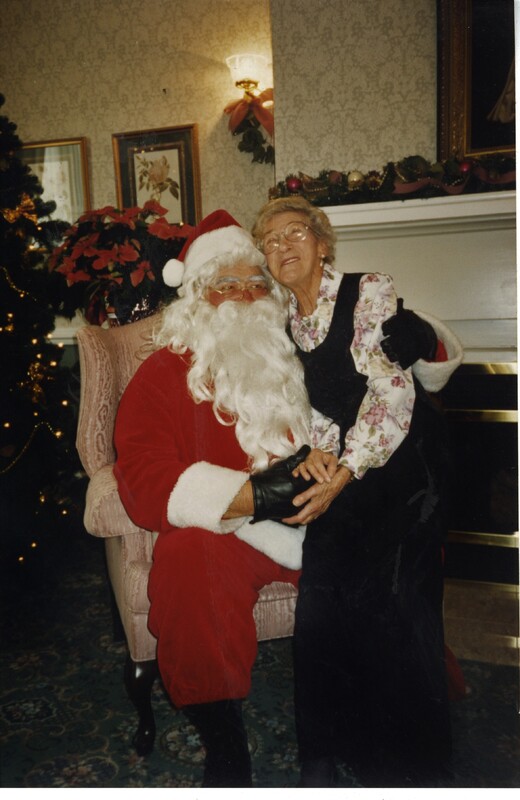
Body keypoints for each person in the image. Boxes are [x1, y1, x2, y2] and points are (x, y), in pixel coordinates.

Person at [114, 208, 460, 788]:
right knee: (187, 560)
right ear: (197, 297)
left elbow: (384, 374)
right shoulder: (164, 372)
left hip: (338, 512)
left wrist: (424, 338)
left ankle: (393, 730)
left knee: (392, 554)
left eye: (255, 282)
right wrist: (254, 494)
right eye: (225, 284)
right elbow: (142, 478)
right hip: (246, 529)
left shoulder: (292, 342)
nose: (244, 295)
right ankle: (225, 745)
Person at [252, 196, 463, 788]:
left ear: (322, 244)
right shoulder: (280, 322)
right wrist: (318, 459)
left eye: (296, 233)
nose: (283, 246)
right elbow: (308, 407)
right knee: (320, 596)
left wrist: (343, 473)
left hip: (405, 463)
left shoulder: (368, 290)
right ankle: (322, 748)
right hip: (347, 463)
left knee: (392, 597)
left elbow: (389, 389)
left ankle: (406, 762)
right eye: (271, 240)